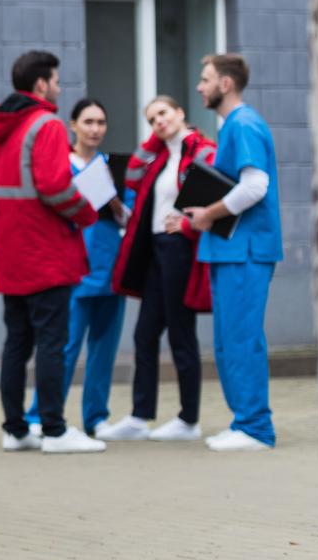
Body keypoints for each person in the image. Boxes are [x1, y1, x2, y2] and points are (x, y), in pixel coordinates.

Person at [0, 51, 105, 454]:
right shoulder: (46, 124)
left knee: (17, 341)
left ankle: (16, 430)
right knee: (53, 341)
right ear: (40, 85)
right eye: (55, 80)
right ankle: (54, 430)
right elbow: (54, 186)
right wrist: (88, 214)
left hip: (10, 250)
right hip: (45, 249)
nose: (58, 86)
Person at [96, 96, 215, 442]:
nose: (158, 122)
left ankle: (188, 420)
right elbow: (132, 174)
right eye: (151, 119)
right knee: (144, 334)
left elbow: (215, 196)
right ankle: (139, 416)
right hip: (157, 250)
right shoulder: (160, 156)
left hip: (179, 248)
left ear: (180, 112)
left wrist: (190, 227)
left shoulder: (202, 150)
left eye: (162, 114)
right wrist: (154, 140)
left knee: (181, 333)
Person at [183, 54, 282, 451]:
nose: (199, 87)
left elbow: (255, 185)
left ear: (225, 84)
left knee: (241, 339)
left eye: (205, 79)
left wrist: (208, 213)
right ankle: (245, 422)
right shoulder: (235, 126)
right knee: (229, 339)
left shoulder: (243, 124)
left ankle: (255, 428)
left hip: (245, 251)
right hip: (233, 250)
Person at [24, 98, 130, 437]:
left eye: (101, 122)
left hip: (110, 268)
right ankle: (40, 416)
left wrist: (114, 201)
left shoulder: (114, 169)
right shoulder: (60, 166)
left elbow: (129, 217)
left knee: (103, 348)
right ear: (73, 125)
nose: (95, 129)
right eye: (88, 122)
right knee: (63, 348)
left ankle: (96, 418)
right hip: (73, 269)